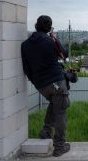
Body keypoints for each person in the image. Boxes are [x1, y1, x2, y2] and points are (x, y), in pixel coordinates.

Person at [21, 15, 71, 157]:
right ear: (49, 28)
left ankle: (46, 131)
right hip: (56, 82)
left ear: (36, 25)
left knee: (54, 104)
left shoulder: (25, 45)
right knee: (61, 111)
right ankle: (59, 147)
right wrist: (55, 38)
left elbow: (27, 69)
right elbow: (64, 55)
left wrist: (37, 82)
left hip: (41, 86)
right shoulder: (50, 41)